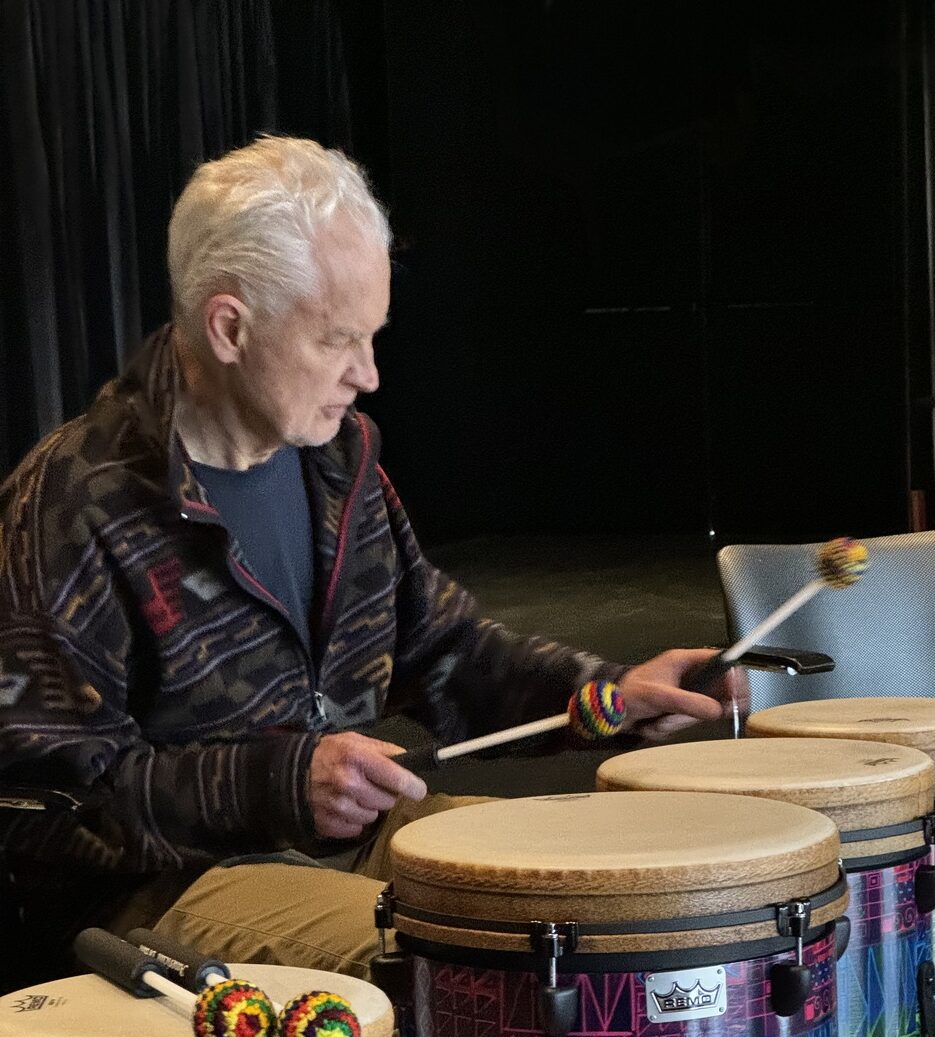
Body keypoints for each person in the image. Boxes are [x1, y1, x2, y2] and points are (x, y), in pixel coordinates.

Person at [0, 136, 733, 981]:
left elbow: (441, 650)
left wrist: (610, 695)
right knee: (477, 963)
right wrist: (276, 783)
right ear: (229, 327)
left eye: (374, 337)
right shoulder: (73, 500)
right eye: (336, 342)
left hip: (340, 840)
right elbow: (42, 803)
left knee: (605, 896)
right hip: (156, 894)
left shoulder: (336, 463)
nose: (369, 375)